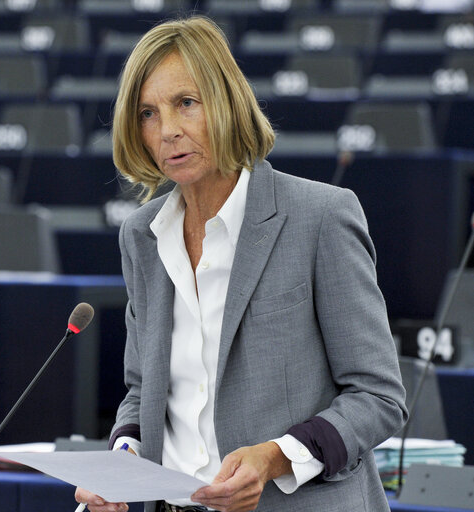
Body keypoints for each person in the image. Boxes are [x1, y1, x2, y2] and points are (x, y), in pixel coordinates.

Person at [75, 15, 407, 512]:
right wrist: (123, 460)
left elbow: (379, 398)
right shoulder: (141, 237)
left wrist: (275, 457)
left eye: (185, 104)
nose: (167, 131)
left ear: (226, 102)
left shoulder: (321, 217)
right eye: (147, 113)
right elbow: (142, 392)